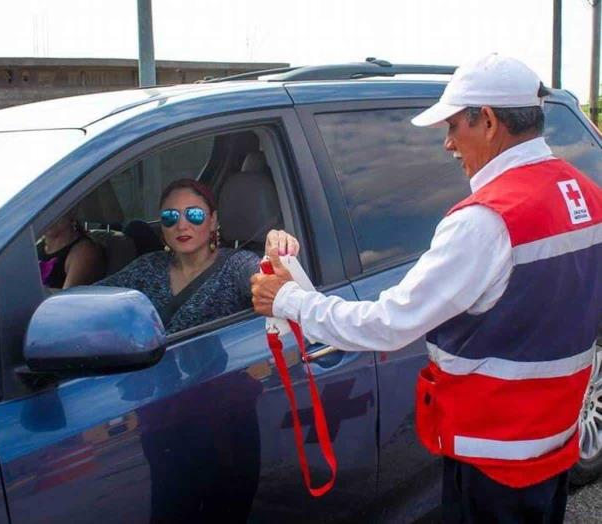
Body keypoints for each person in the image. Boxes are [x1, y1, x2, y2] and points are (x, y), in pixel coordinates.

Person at [251, 53, 602, 523]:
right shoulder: (584, 191)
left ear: (490, 121)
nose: (447, 144)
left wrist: (290, 299)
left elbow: (388, 325)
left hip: (492, 457)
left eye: (454, 126)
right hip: (552, 444)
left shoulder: (485, 221)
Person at [99, 178, 298, 334]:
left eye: (194, 215)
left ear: (213, 221)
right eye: (170, 217)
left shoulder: (237, 265)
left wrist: (278, 250)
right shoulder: (148, 266)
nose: (182, 225)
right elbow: (93, 300)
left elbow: (273, 285)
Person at [38, 210, 106, 289]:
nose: (46, 217)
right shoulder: (36, 246)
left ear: (71, 212)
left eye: (53, 210)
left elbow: (64, 299)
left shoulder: (84, 252)